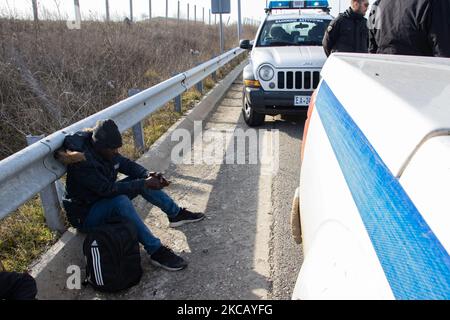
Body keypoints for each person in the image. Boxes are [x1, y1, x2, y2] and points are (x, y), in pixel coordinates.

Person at [55, 119, 205, 272]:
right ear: (100, 146)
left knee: (141, 181)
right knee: (122, 201)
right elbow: (107, 189)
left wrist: (147, 174)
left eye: (117, 148)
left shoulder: (104, 150)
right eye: (113, 149)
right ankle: (156, 251)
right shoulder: (82, 162)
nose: (116, 152)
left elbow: (125, 164)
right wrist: (144, 183)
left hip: (102, 199)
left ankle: (176, 214)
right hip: (86, 214)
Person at [368, 0, 450, 57]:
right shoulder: (436, 3)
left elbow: (372, 52)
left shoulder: (377, 5)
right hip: (422, 77)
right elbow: (444, 53)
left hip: (383, 76)